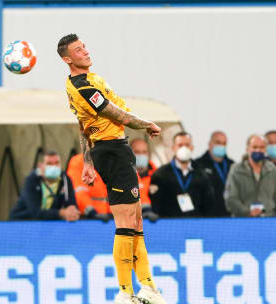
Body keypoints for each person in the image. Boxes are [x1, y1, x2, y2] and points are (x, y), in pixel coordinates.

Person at [58, 33, 165, 304]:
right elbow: (114, 114)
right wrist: (146, 124)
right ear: (67, 59)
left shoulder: (89, 79)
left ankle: (148, 287)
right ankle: (125, 292)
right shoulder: (82, 86)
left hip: (114, 149)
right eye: (78, 50)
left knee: (136, 220)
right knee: (126, 222)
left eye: (84, 46)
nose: (85, 51)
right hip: (111, 151)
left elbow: (83, 125)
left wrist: (88, 162)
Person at [149, 132, 214, 218]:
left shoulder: (202, 174)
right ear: (173, 148)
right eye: (180, 145)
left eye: (187, 145)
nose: (184, 148)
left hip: (195, 225)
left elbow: (208, 204)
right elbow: (156, 204)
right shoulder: (160, 175)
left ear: (192, 148)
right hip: (170, 225)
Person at [10, 150, 80, 221]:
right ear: (41, 166)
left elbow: (72, 204)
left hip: (51, 223)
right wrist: (62, 213)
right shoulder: (32, 180)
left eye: (57, 163)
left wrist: (72, 213)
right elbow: (35, 212)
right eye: (49, 164)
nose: (54, 167)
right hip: (23, 222)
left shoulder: (65, 179)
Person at [225, 134, 276, 217]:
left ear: (265, 149)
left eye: (262, 147)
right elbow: (231, 198)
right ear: (247, 149)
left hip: (269, 220)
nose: (258, 150)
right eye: (255, 147)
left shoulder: (272, 169)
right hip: (244, 220)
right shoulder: (236, 170)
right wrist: (247, 211)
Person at [194, 131, 234, 217]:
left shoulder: (232, 165)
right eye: (218, 142)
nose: (221, 146)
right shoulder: (198, 165)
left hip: (229, 215)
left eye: (224, 143)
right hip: (207, 216)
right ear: (210, 144)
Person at [66, 153, 111, 220]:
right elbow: (79, 191)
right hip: (89, 217)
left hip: (112, 216)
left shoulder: (112, 159)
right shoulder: (77, 161)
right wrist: (92, 212)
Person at [130, 138, 159, 222]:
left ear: (148, 154)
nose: (141, 155)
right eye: (137, 152)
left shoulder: (158, 175)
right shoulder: (122, 175)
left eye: (144, 152)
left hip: (157, 222)